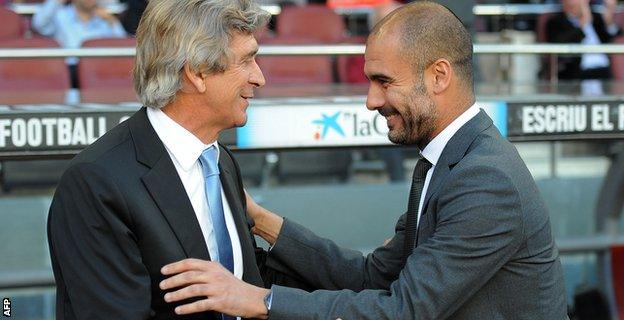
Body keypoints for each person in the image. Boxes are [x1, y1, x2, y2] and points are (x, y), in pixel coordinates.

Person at [158, 2, 569, 319]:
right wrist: (259, 219)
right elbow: (371, 277)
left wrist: (259, 301)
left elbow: (403, 310)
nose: (371, 101)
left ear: (439, 76)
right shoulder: (447, 162)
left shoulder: (484, 180)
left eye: (384, 82)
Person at [47, 1, 305, 319]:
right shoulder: (96, 182)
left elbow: (246, 282)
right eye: (247, 60)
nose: (259, 77)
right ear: (196, 73)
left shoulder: (219, 160)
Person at [32, 0, 127, 87]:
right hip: (70, 71)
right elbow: (39, 24)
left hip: (101, 72)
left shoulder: (105, 19)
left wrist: (113, 21)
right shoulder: (60, 15)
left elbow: (122, 45)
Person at [546, 0, 621, 80]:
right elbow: (560, 46)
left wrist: (609, 21)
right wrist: (583, 24)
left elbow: (616, 38)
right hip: (577, 74)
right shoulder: (555, 22)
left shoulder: (596, 18)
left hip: (604, 70)